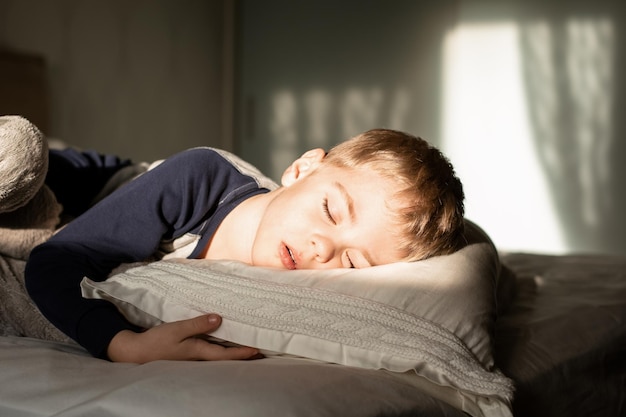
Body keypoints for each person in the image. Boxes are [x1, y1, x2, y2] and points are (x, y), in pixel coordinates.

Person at [25, 128, 465, 363]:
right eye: (331, 210)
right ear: (303, 168)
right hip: (86, 183)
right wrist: (120, 344)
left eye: (351, 260)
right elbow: (54, 261)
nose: (322, 248)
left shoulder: (304, 279)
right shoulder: (197, 180)